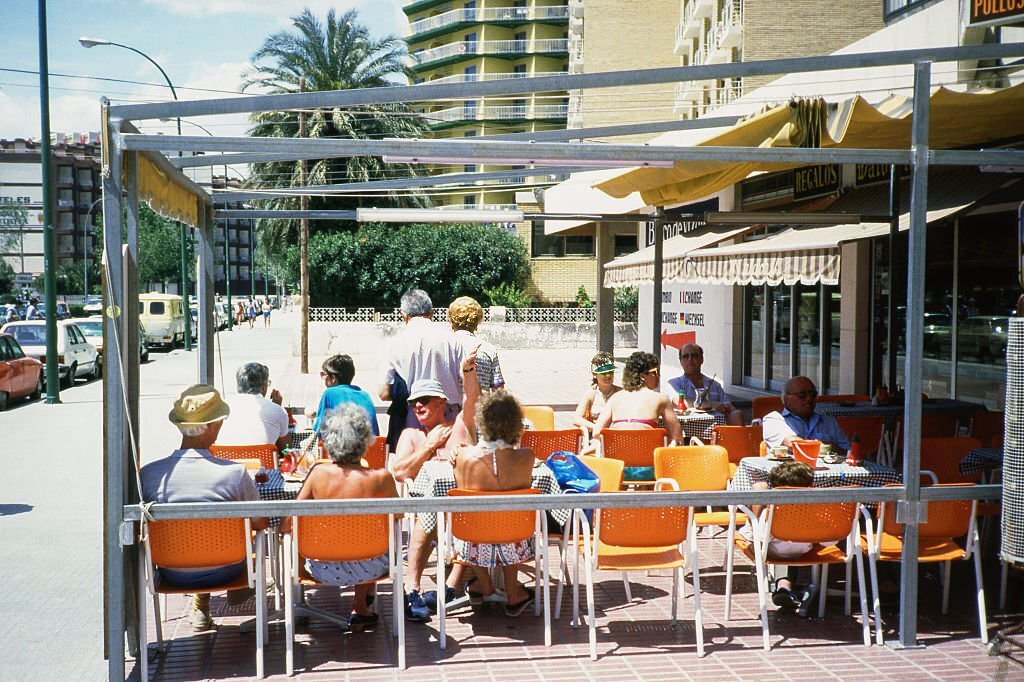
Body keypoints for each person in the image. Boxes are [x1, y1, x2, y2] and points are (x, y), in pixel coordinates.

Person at [139, 384, 268, 631]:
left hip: (170, 572)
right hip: (228, 570)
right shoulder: (234, 473)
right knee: (256, 538)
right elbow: (261, 523)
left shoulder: (149, 475)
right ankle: (243, 592)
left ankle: (201, 608)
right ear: (212, 425)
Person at [280, 403, 398, 631]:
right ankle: (360, 606)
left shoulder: (317, 474)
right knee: (372, 541)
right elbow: (399, 516)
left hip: (322, 568)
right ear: (365, 441)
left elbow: (290, 520)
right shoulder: (381, 478)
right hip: (371, 566)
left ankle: (300, 605)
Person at [390, 347, 480, 621]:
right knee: (428, 513)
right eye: (413, 402)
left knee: (475, 511)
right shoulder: (411, 435)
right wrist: (429, 447)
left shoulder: (459, 427)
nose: (418, 406)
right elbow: (401, 472)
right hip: (428, 513)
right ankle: (412, 587)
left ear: (442, 402)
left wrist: (467, 370)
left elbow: (473, 399)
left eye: (425, 400)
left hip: (464, 506)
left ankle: (453, 584)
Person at [451, 391, 539, 617]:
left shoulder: (462, 457)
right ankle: (512, 591)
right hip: (515, 537)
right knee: (511, 520)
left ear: (482, 421)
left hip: (471, 542)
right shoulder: (527, 457)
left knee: (473, 523)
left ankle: (485, 584)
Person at [741, 461, 820, 617]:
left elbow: (761, 537)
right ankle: (790, 584)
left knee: (767, 543)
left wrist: (749, 534)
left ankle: (784, 585)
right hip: (806, 549)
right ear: (810, 486)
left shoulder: (770, 512)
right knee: (792, 544)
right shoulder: (815, 507)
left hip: (774, 550)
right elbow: (827, 540)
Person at [379, 289, 464, 428]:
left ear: (404, 315)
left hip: (413, 416)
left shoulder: (394, 343)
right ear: (431, 313)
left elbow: (383, 393)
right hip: (449, 417)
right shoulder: (452, 339)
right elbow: (465, 381)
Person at [590, 351, 683, 444]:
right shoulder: (661, 399)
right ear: (642, 376)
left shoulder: (615, 398)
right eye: (655, 372)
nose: (658, 376)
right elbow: (677, 437)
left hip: (617, 455)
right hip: (649, 456)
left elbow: (597, 432)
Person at [763, 376, 850, 455]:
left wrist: (821, 446)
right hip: (790, 470)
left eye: (813, 395)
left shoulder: (829, 421)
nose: (809, 399)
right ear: (786, 399)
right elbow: (793, 444)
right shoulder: (773, 419)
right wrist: (826, 446)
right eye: (802, 395)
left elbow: (847, 451)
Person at [664, 342, 744, 426]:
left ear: (702, 359)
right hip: (686, 431)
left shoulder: (714, 385)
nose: (690, 359)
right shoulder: (674, 383)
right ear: (680, 361)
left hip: (715, 430)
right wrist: (710, 404)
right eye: (685, 356)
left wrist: (727, 408)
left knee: (737, 414)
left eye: (694, 355)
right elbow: (680, 402)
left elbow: (729, 406)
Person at [216, 362, 290, 452]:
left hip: (225, 463)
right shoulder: (277, 410)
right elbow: (286, 448)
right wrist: (277, 407)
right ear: (264, 387)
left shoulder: (221, 407)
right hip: (263, 465)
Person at [448, 296, 505, 392]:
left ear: (452, 321)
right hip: (479, 405)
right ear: (477, 322)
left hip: (450, 405)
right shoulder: (488, 349)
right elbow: (499, 391)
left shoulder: (444, 347)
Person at [313, 354, 379, 436]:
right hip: (371, 446)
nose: (323, 378)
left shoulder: (329, 393)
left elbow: (318, 430)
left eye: (323, 374)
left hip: (343, 447)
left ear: (333, 378)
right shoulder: (365, 395)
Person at [573, 351, 621, 436]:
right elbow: (576, 419)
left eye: (611, 372)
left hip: (616, 435)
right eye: (604, 373)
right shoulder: (591, 394)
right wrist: (597, 428)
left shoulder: (621, 393)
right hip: (597, 436)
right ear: (594, 374)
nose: (608, 376)